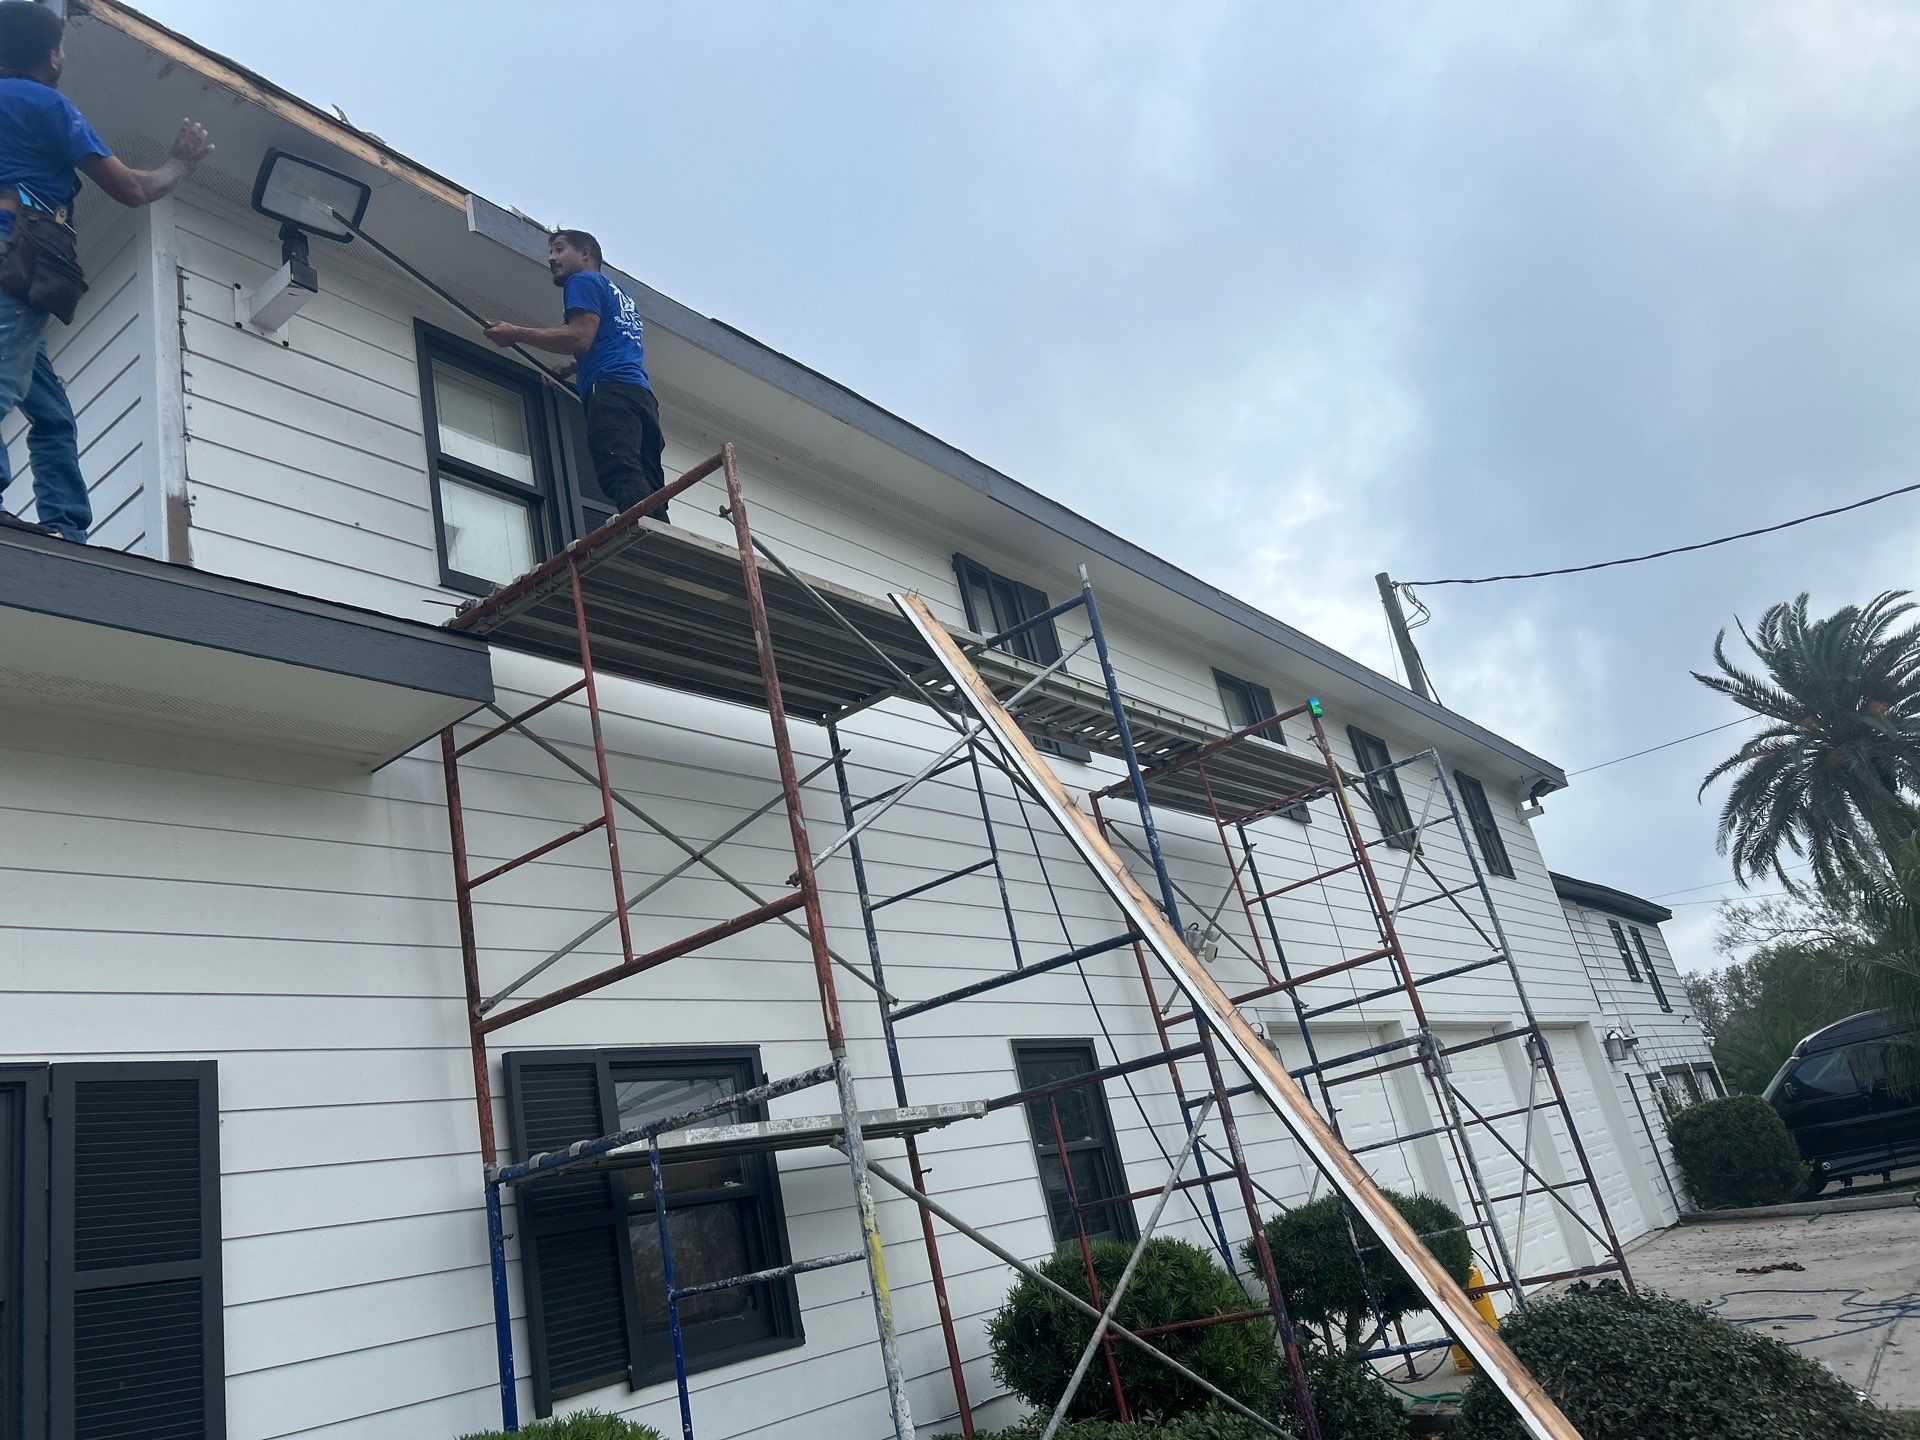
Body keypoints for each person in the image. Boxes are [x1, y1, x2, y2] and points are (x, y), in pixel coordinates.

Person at [0, 0, 211, 540]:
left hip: (14, 263)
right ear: (52, 56)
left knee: (50, 411)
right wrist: (180, 163)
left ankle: (66, 530)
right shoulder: (45, 103)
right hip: (14, 257)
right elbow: (133, 190)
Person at [483, 229, 668, 521]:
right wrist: (572, 367)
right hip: (640, 395)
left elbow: (580, 338)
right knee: (648, 476)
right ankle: (661, 537)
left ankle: (641, 534)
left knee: (619, 467)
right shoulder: (621, 296)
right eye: (551, 252)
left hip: (610, 393)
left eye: (559, 249)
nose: (551, 258)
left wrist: (515, 334)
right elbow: (609, 342)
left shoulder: (581, 281)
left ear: (586, 254)